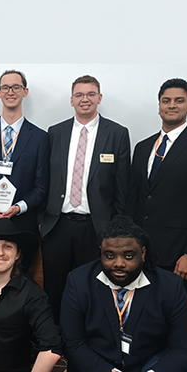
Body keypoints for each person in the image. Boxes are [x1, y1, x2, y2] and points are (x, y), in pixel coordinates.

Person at [40, 75, 131, 322]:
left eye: (91, 94)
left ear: (99, 98)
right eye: (79, 95)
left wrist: (118, 231)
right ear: (71, 100)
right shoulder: (55, 133)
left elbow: (123, 189)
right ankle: (55, 342)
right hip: (57, 225)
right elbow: (45, 179)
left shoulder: (117, 133)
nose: (85, 99)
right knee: (55, 288)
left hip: (96, 228)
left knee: (93, 288)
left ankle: (86, 340)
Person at [60, 216, 187, 372]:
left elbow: (186, 350)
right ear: (100, 253)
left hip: (150, 366)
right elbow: (74, 344)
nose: (118, 263)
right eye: (109, 256)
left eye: (128, 256)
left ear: (143, 253)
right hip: (96, 367)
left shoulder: (169, 286)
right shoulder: (79, 281)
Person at [128, 78, 187, 297]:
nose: (171, 105)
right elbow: (134, 197)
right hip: (139, 251)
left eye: (179, 100)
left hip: (177, 255)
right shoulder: (143, 147)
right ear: (159, 107)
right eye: (166, 100)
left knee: (171, 317)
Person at [0, 70, 49, 265]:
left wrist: (18, 207)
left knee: (19, 285)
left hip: (21, 225)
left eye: (16, 87)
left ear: (25, 91)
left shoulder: (40, 138)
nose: (10, 91)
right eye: (5, 87)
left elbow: (41, 187)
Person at [0, 218, 62, 372]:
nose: (0, 252)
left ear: (17, 254)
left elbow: (52, 348)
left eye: (8, 246)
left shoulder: (32, 294)